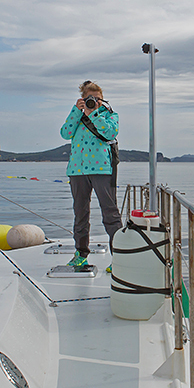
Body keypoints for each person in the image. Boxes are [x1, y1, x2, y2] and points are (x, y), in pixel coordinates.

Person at [60, 80, 121, 269]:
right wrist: (76, 111)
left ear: (103, 100)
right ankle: (80, 254)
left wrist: (93, 113)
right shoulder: (77, 115)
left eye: (98, 99)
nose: (94, 102)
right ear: (82, 99)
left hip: (102, 169)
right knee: (80, 214)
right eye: (89, 99)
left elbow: (110, 133)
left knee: (110, 213)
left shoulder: (110, 115)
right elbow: (65, 133)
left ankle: (119, 257)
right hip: (77, 171)